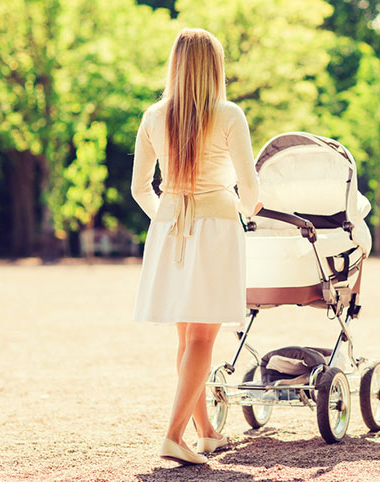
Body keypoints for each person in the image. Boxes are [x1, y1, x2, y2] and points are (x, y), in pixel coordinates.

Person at [130, 28, 261, 465]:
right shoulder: (229, 115)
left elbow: (139, 189)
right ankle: (173, 435)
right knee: (203, 337)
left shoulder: (153, 116)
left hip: (170, 230)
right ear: (216, 68)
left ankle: (205, 432)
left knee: (187, 338)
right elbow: (250, 191)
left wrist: (169, 219)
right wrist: (250, 208)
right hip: (216, 229)